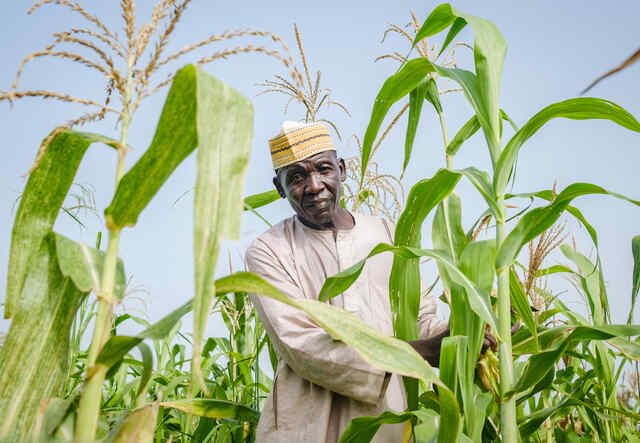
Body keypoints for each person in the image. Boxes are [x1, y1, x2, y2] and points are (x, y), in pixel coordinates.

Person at [245, 121, 449, 443]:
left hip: (390, 423)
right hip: (307, 427)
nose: (314, 186)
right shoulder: (269, 250)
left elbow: (418, 319)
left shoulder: (389, 235)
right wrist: (416, 353)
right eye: (296, 177)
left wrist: (464, 336)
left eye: (323, 169)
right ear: (279, 188)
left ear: (341, 169)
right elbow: (300, 346)